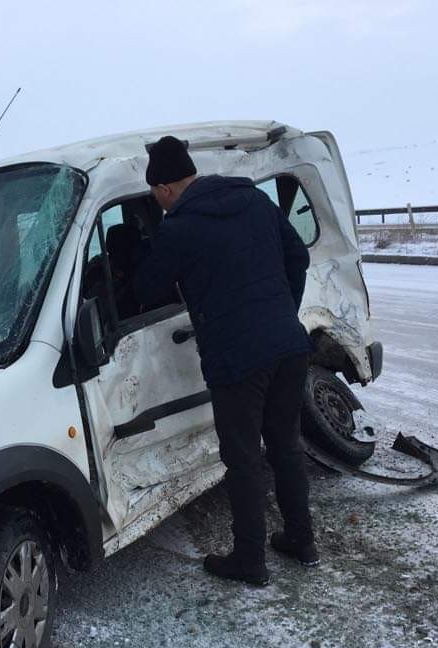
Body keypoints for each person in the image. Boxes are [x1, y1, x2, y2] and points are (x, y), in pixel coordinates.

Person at [134, 136, 315, 587]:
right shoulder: (253, 199)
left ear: (164, 189)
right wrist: (281, 312)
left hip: (238, 358)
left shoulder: (179, 228)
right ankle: (302, 541)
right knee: (286, 446)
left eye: (156, 196)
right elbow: (298, 256)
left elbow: (145, 293)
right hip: (289, 345)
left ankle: (250, 560)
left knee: (243, 458)